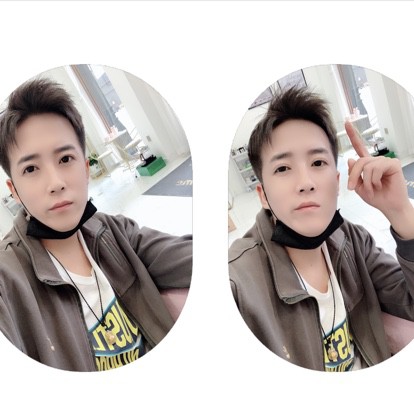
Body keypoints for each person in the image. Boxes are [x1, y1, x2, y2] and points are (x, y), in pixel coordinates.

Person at [0, 78, 192, 372]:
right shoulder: (9, 278)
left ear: (86, 169)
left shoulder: (115, 232)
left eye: (66, 158)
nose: (56, 183)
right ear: (14, 190)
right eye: (31, 168)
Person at [228, 86, 414, 372]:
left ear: (337, 182)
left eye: (317, 162)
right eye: (282, 168)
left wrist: (401, 212)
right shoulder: (239, 283)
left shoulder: (353, 240)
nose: (306, 182)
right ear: (263, 195)